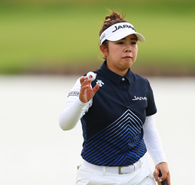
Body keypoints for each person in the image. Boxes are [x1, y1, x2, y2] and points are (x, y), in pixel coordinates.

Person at [59, 11, 171, 185]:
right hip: (98, 177)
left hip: (139, 175)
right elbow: (65, 124)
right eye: (120, 43)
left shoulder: (143, 84)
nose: (128, 48)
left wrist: (160, 160)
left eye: (133, 43)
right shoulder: (89, 82)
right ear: (104, 49)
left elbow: (148, 126)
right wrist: (82, 102)